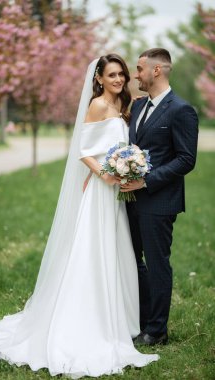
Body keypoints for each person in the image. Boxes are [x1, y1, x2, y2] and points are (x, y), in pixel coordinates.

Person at [0, 54, 159, 378]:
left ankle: (119, 319)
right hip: (100, 192)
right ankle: (87, 320)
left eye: (122, 75)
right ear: (98, 78)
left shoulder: (122, 106)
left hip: (115, 194)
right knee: (93, 253)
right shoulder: (98, 105)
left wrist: (129, 167)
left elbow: (117, 146)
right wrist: (107, 175)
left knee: (116, 251)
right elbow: (84, 151)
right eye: (112, 75)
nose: (118, 80)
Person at [121, 48, 199, 346]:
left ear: (156, 71)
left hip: (159, 201)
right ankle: (140, 319)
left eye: (139, 68)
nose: (134, 74)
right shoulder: (140, 107)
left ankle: (157, 331)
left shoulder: (182, 110)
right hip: (129, 201)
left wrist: (145, 181)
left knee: (157, 263)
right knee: (132, 260)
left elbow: (185, 159)